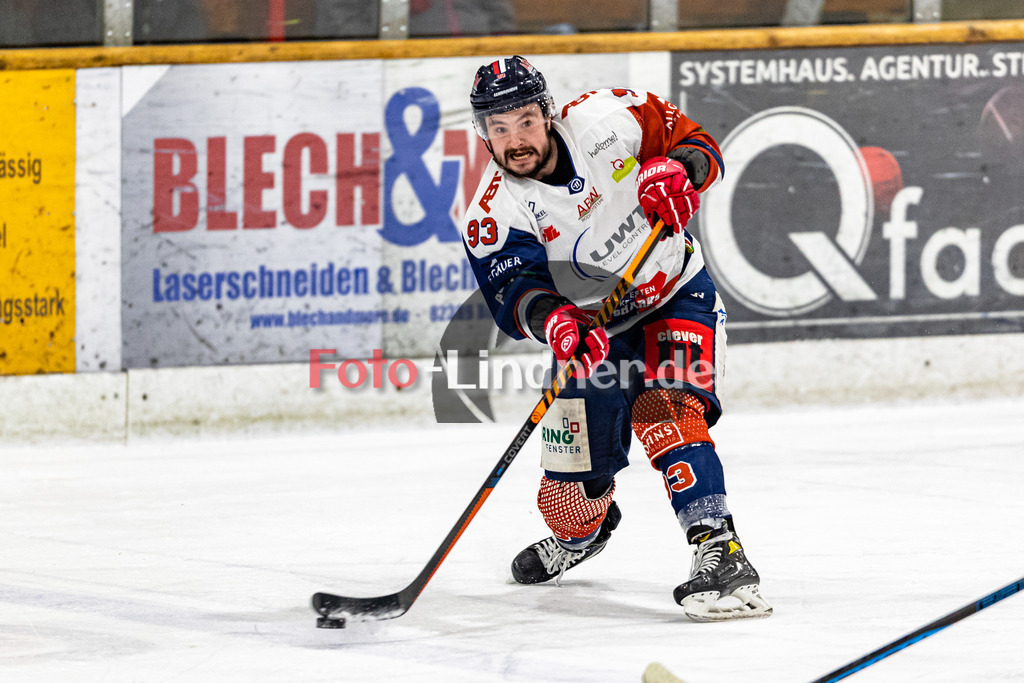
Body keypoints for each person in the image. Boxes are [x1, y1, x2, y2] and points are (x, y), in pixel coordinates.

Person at [460, 55, 772, 621]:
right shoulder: (494, 210)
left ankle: (719, 552)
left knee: (666, 408)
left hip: (675, 291)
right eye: (497, 128)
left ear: (548, 113)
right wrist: (557, 321)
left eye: (525, 120)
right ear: (482, 133)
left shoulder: (610, 118)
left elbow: (695, 141)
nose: (514, 140)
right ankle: (586, 532)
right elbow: (514, 293)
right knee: (568, 500)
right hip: (593, 334)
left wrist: (680, 171)